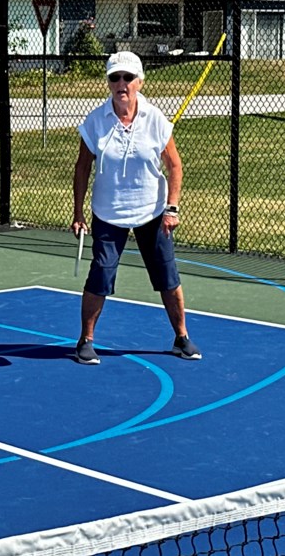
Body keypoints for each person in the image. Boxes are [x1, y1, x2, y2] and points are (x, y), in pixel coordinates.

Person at [71, 51, 202, 364]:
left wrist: (172, 208)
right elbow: (81, 168)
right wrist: (78, 213)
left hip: (152, 212)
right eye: (115, 77)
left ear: (140, 82)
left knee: (167, 276)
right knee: (100, 274)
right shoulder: (95, 121)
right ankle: (85, 341)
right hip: (108, 213)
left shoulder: (155, 120)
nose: (121, 84)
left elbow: (175, 166)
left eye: (128, 77)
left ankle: (181, 337)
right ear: (108, 83)